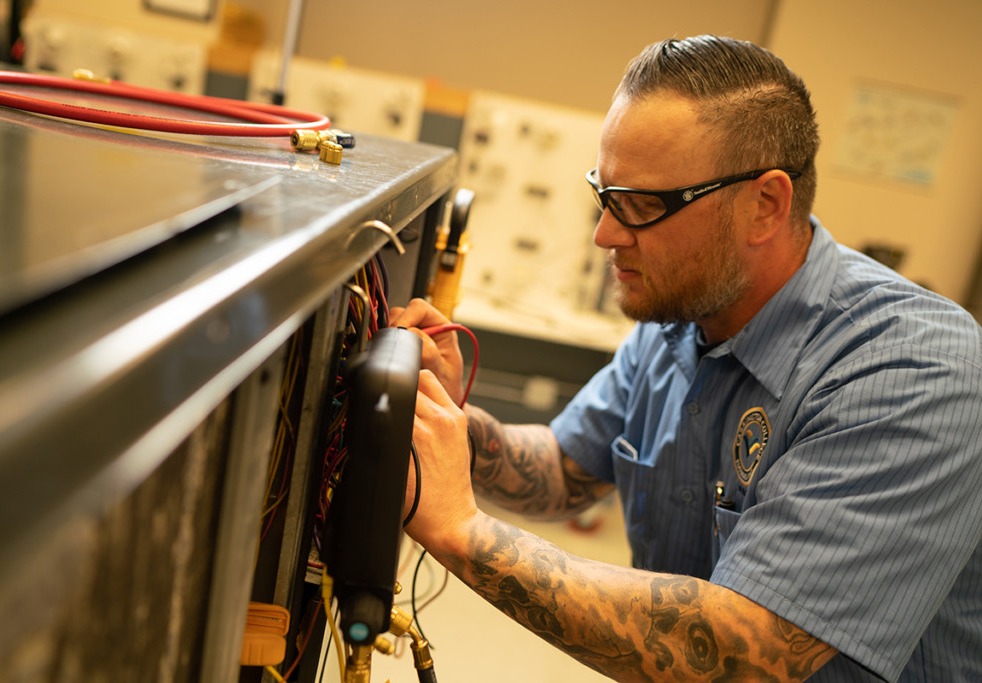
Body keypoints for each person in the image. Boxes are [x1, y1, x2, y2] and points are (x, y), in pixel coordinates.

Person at [390, 35, 982, 682]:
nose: (605, 234)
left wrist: (461, 531)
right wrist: (443, 423)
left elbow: (743, 651)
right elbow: (563, 469)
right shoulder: (681, 311)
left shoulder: (913, 369)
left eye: (643, 205)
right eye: (604, 193)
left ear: (764, 206)